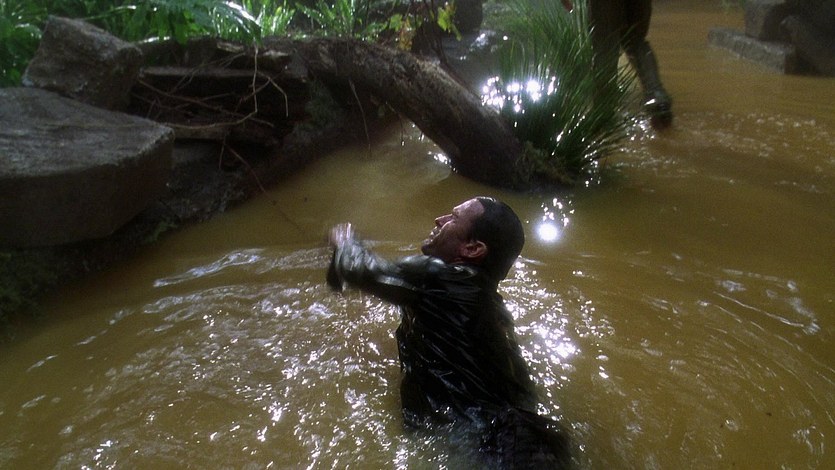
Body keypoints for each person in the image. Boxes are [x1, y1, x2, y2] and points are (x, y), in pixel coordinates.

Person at [327, 197, 571, 468]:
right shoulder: (495, 310)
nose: (439, 220)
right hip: (521, 437)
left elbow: (359, 270)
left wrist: (345, 240)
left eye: (453, 218)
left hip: (468, 440)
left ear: (472, 248)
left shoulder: (438, 277)